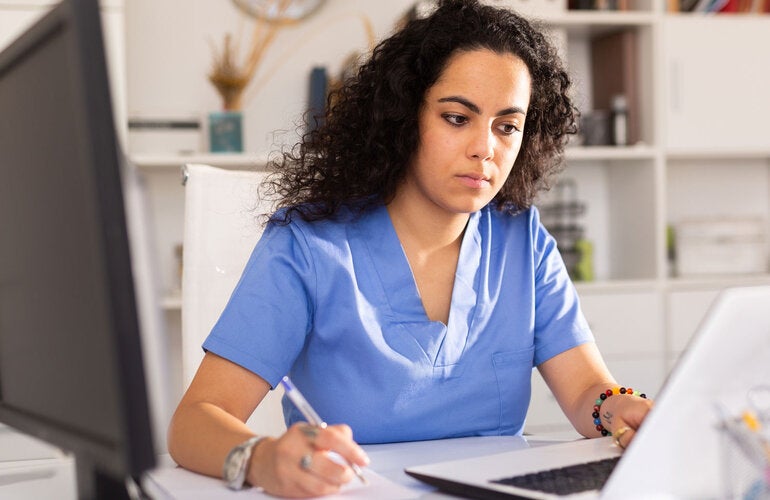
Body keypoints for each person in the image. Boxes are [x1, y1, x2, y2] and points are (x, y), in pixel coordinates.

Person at [167, 0, 653, 497]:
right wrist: (263, 458)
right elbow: (195, 423)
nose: (485, 148)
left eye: (507, 126)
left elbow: (586, 392)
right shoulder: (308, 245)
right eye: (457, 117)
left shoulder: (522, 241)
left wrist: (619, 408)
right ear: (404, 117)